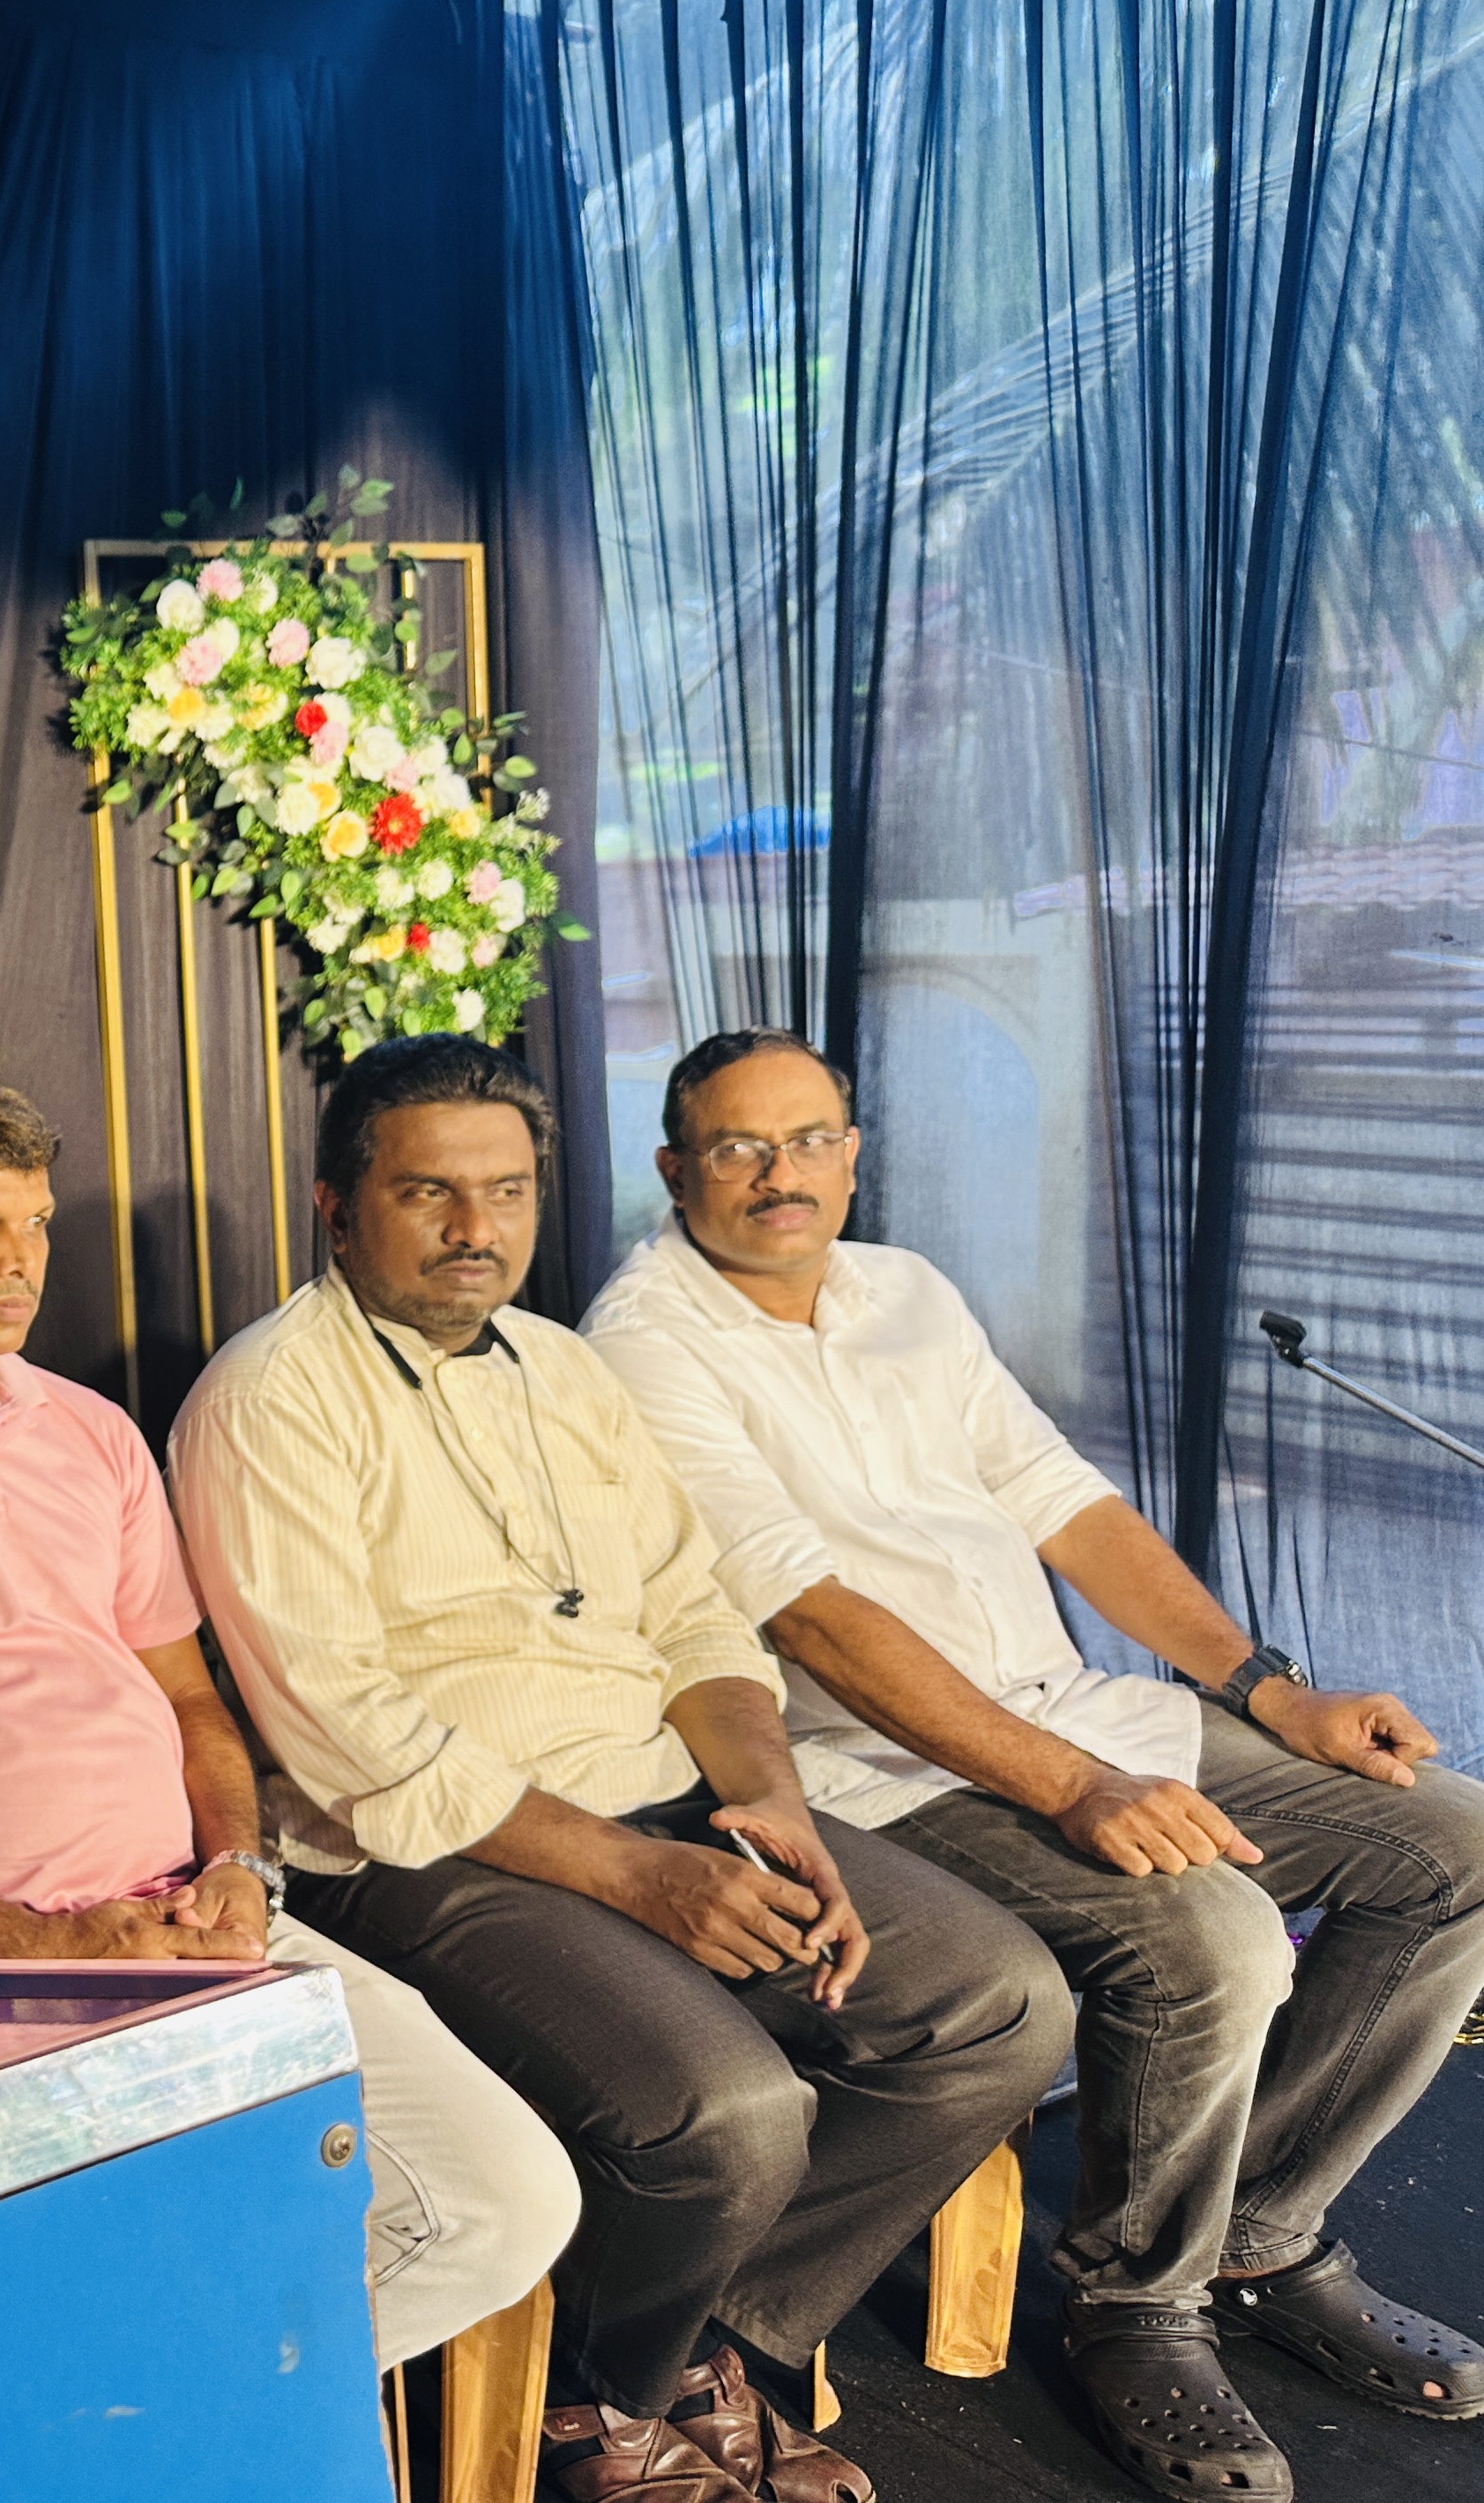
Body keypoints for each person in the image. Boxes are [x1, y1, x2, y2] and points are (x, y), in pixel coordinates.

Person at [584, 1027, 1484, 2498]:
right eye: (740, 1148)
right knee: (1213, 1935)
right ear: (677, 1169)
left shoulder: (907, 1290)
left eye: (810, 1141)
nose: (780, 1175)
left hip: (1071, 1709)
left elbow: (1066, 1502)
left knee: (1455, 1845)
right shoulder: (639, 1340)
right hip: (879, 1768)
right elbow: (806, 1612)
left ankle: (1254, 2233)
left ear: (853, 1154)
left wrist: (1269, 1692)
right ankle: (1136, 2305)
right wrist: (1074, 1787)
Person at [173, 1035, 1072, 2503]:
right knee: (730, 2117)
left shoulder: (566, 1367)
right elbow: (353, 1736)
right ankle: (598, 2400)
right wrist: (641, 1877)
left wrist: (768, 1800)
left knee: (995, 2005)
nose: (476, 1229)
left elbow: (699, 1614)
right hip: (428, 1851)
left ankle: (692, 2347)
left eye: (507, 1191)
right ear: (336, 1208)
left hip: (664, 1795)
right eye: (428, 1193)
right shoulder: (270, 1396)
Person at [0, 1068, 577, 2370]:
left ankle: (175, 2413)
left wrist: (241, 1869)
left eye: (37, 1225)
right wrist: (39, 1947)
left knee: (510, 2197)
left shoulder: (91, 1435)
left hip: (191, 1929)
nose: (22, 1263)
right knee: (134, 2268)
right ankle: (159, 2413)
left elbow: (193, 1702)